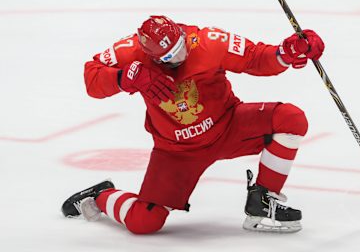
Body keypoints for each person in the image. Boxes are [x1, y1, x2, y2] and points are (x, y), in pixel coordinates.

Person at [61, 15, 324, 234]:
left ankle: (263, 201)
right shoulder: (131, 51)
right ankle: (100, 195)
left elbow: (257, 58)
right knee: (143, 222)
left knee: (291, 119)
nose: (181, 56)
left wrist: (287, 52)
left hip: (229, 127)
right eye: (170, 56)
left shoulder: (209, 41)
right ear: (151, 56)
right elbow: (91, 78)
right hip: (176, 152)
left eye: (182, 46)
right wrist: (124, 78)